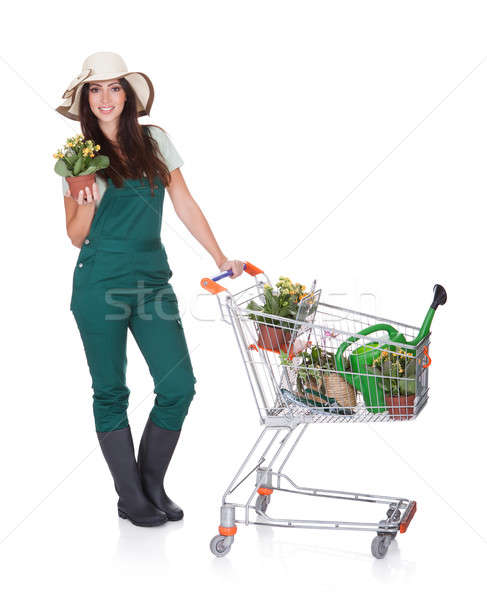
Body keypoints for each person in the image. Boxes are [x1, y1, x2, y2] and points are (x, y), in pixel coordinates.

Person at [56, 51, 244, 527]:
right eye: (94, 90)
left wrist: (219, 256)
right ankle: (131, 497)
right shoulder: (77, 157)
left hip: (151, 282)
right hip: (99, 282)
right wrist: (86, 200)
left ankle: (151, 482)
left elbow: (182, 200)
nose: (104, 98)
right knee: (111, 391)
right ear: (85, 99)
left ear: (128, 94)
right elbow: (76, 236)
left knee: (179, 385)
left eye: (113, 88)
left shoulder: (154, 141)